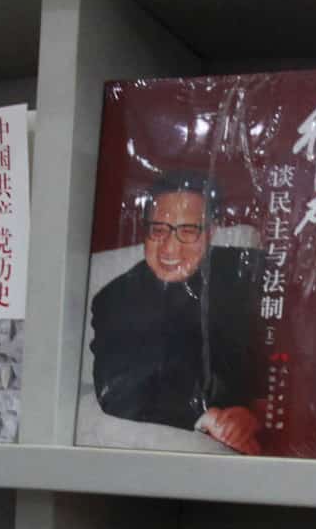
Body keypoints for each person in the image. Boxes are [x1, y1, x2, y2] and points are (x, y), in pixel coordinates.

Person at [84, 175, 266, 453]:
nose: (170, 248)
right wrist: (209, 418)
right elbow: (117, 389)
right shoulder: (114, 299)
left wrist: (255, 413)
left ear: (211, 232)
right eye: (159, 230)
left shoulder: (245, 271)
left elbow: (289, 350)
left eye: (189, 231)